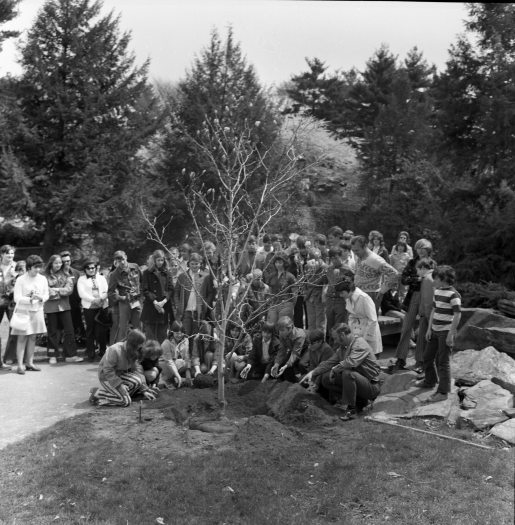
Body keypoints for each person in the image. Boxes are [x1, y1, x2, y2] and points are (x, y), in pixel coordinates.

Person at [300, 323, 383, 420]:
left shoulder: (359, 344)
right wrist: (312, 373)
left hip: (371, 386)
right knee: (326, 378)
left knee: (347, 373)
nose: (335, 341)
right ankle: (359, 401)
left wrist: (335, 370)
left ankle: (351, 410)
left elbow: (350, 362)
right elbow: (329, 363)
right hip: (359, 381)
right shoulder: (343, 348)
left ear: (342, 335)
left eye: (335, 338)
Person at [416, 265, 461, 403]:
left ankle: (443, 392)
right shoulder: (438, 291)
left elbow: (458, 314)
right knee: (427, 357)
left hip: (445, 332)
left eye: (435, 278)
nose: (433, 281)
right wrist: (429, 329)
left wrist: (450, 334)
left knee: (443, 361)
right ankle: (430, 381)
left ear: (443, 279)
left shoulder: (454, 295)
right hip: (434, 330)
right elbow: (434, 311)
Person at [392, 238, 434, 371]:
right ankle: (400, 359)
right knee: (406, 327)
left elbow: (437, 281)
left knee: (423, 328)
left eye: (424, 248)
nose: (421, 251)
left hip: (427, 297)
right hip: (413, 296)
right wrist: (418, 279)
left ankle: (420, 361)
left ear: (428, 250)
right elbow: (404, 279)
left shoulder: (433, 264)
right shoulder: (411, 262)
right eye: (419, 248)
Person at [89, 329, 157, 407]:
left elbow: (138, 369)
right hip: (106, 377)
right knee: (125, 402)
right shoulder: (115, 350)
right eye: (139, 344)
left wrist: (144, 389)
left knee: (137, 381)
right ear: (133, 344)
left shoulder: (135, 351)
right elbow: (107, 370)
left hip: (120, 374)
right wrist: (119, 385)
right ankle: (97, 393)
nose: (141, 346)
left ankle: (120, 395)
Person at [11, 255, 49, 374]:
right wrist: (31, 299)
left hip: (37, 311)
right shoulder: (21, 279)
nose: (37, 270)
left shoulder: (42, 279)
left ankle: (30, 363)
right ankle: (20, 365)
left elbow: (46, 294)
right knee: (22, 338)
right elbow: (16, 298)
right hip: (24, 312)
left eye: (39, 267)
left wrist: (40, 298)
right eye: (35, 267)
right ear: (28, 267)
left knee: (33, 337)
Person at [44, 254, 82, 364]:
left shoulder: (66, 275)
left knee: (69, 330)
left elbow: (69, 290)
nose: (59, 265)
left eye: (60, 263)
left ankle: (70, 355)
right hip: (51, 308)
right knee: (53, 332)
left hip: (65, 307)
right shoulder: (45, 276)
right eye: (56, 263)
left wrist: (55, 290)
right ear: (51, 263)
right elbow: (45, 291)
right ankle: (52, 355)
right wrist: (60, 291)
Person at [335, 273, 383, 355]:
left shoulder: (364, 298)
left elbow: (373, 319)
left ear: (349, 290)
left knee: (370, 356)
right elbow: (351, 316)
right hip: (356, 330)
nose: (340, 295)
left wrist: (366, 337)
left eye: (342, 293)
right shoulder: (348, 298)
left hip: (368, 329)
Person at [350, 235, 398, 309]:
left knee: (370, 320)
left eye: (357, 250)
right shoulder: (360, 257)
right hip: (359, 293)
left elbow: (394, 274)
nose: (355, 253)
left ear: (365, 246)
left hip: (371, 294)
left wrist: (383, 290)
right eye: (353, 251)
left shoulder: (375, 259)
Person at [77, 258, 109, 362]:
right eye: (89, 268)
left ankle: (103, 351)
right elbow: (82, 294)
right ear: (85, 269)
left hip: (101, 306)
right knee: (90, 330)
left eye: (93, 268)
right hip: (89, 307)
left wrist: (101, 299)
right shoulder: (81, 279)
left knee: (102, 330)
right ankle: (91, 352)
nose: (91, 270)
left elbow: (106, 290)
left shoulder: (101, 278)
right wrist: (94, 300)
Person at [108, 250, 142, 343]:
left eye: (123, 259)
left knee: (138, 327)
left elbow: (142, 281)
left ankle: (140, 350)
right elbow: (110, 293)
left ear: (126, 257)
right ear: (115, 262)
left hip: (136, 301)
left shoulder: (135, 266)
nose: (122, 262)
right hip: (124, 303)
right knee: (123, 328)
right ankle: (121, 351)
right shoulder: (114, 274)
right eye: (119, 261)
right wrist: (122, 298)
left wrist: (141, 294)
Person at [141, 250, 173, 343]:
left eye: (162, 260)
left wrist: (163, 302)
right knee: (150, 337)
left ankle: (161, 357)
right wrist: (155, 302)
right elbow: (145, 290)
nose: (160, 262)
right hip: (150, 307)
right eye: (158, 260)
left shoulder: (167, 273)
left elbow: (171, 289)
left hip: (163, 307)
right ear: (154, 260)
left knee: (162, 337)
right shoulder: (147, 273)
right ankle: (149, 356)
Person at [174, 252, 207, 341]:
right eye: (192, 264)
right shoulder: (183, 276)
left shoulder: (205, 276)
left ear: (200, 264)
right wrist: (178, 305)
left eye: (196, 264)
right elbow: (176, 292)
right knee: (185, 336)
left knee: (196, 338)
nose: (194, 266)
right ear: (189, 264)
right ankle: (185, 354)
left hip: (199, 312)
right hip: (186, 312)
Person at [270, 316, 308, 382]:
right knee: (284, 363)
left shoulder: (299, 335)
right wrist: (276, 364)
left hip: (308, 348)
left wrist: (287, 365)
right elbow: (282, 349)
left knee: (302, 364)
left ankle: (308, 382)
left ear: (290, 328)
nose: (280, 332)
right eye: (279, 330)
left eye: (282, 330)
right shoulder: (282, 334)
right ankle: (291, 384)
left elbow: (295, 353)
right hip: (295, 349)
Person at [60, 250, 86, 345]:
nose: (66, 263)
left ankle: (80, 342)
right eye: (63, 261)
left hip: (75, 305)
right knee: (64, 328)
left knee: (78, 325)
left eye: (68, 261)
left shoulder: (76, 273)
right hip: (61, 305)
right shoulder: (58, 273)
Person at [265, 252, 297, 324]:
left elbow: (295, 293)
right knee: (271, 325)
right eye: (276, 262)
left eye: (280, 262)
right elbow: (269, 291)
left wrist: (290, 305)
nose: (278, 264)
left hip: (285, 304)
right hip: (273, 304)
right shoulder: (272, 276)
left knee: (283, 326)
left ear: (285, 263)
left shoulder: (290, 276)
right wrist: (270, 300)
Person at [302, 329, 334, 397]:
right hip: (317, 372)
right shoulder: (312, 349)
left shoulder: (327, 350)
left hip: (326, 374)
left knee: (323, 381)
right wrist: (311, 381)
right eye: (309, 343)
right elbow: (312, 365)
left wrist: (315, 385)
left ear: (320, 342)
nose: (309, 346)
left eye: (312, 343)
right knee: (302, 381)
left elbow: (323, 369)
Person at [160, 321, 192, 388]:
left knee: (185, 363)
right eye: (177, 333)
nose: (179, 335)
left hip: (176, 363)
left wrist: (188, 376)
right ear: (172, 332)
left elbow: (187, 356)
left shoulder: (186, 340)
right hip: (165, 365)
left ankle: (173, 378)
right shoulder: (166, 343)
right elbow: (169, 361)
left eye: (181, 333)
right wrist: (178, 376)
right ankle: (167, 379)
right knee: (180, 362)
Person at [0, 245, 17, 370]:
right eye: (8, 254)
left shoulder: (16, 266)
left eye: (12, 254)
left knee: (14, 328)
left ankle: (9, 357)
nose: (10, 256)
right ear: (2, 254)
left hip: (13, 301)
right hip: (0, 301)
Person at [304, 258, 327, 333]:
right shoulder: (307, 267)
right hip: (309, 297)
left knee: (319, 323)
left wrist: (324, 296)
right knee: (311, 322)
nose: (313, 264)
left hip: (319, 298)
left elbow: (326, 284)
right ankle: (311, 341)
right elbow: (304, 282)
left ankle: (319, 341)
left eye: (315, 261)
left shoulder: (324, 268)